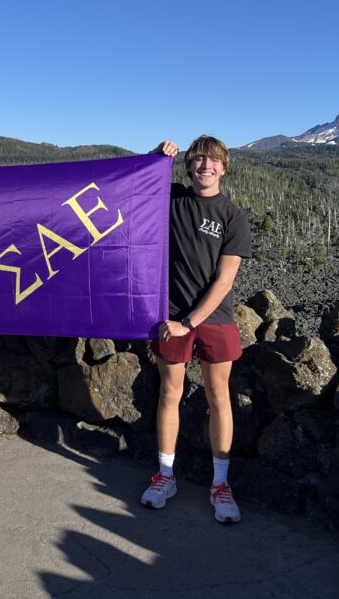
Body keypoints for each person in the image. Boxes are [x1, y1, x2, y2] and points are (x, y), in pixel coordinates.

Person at [142, 136, 251, 523]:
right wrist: (157, 157)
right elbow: (136, 184)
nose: (205, 165)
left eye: (213, 160)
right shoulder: (171, 199)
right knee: (169, 393)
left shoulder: (232, 217)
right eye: (198, 159)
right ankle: (165, 476)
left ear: (224, 167)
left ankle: (220, 484)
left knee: (218, 396)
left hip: (212, 318)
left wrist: (188, 322)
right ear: (189, 166)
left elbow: (224, 280)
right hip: (170, 314)